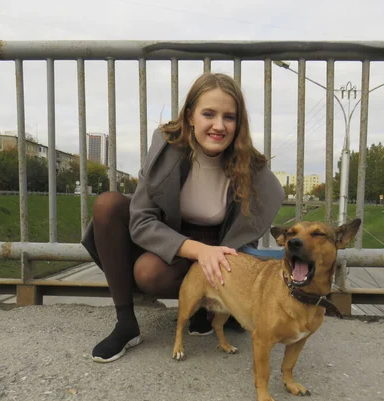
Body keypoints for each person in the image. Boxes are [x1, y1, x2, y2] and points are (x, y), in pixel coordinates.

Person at [81, 72, 284, 363]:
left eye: (229, 117)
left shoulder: (249, 165)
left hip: (217, 244)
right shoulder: (167, 147)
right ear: (190, 116)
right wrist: (199, 252)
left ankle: (207, 307)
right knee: (108, 206)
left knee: (150, 272)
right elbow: (141, 221)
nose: (218, 126)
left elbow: (252, 222)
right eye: (208, 114)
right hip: (174, 239)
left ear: (239, 123)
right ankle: (126, 323)